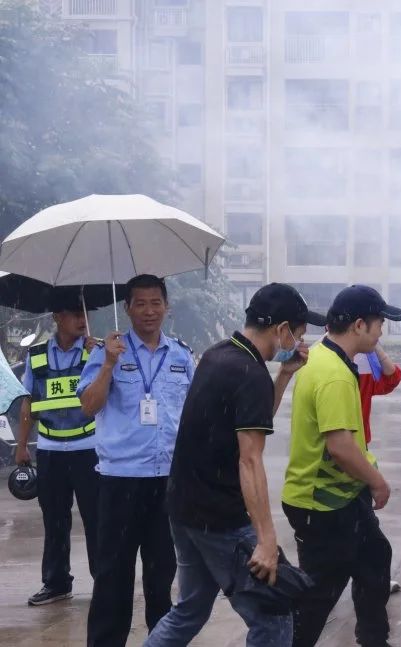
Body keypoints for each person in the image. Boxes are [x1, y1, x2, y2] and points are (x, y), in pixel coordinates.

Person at [144, 283, 325, 646]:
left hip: (185, 508)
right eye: (299, 333)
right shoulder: (249, 373)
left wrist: (284, 374)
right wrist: (266, 539)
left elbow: (251, 420)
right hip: (219, 517)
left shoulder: (220, 355)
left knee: (189, 610)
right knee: (272, 617)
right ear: (282, 330)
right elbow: (250, 459)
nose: (299, 341)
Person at [282, 285, 401, 647]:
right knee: (319, 593)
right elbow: (340, 446)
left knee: (374, 558)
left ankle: (374, 640)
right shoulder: (335, 374)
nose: (381, 331)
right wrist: (378, 482)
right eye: (379, 323)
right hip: (322, 501)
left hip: (340, 494)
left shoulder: (324, 356)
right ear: (359, 325)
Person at [78, 274, 195, 647]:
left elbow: (193, 415)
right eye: (140, 304)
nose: (149, 311)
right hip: (120, 480)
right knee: (113, 575)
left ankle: (161, 641)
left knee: (162, 576)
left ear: (166, 307)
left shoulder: (181, 355)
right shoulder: (107, 352)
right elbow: (88, 406)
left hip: (167, 481)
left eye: (155, 302)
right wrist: (108, 365)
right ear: (126, 308)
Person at [14, 289, 99, 606]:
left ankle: (105, 580)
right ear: (57, 318)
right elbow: (29, 402)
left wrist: (104, 357)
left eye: (84, 314)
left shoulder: (94, 351)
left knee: (96, 519)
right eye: (75, 314)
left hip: (89, 448)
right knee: (54, 520)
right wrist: (22, 445)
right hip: (50, 449)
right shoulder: (36, 356)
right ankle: (56, 582)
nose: (82, 320)